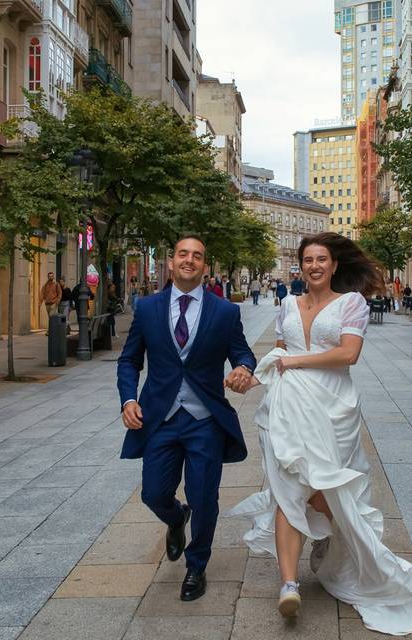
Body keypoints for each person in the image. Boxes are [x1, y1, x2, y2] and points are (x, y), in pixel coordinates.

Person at [228, 233, 412, 631]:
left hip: (333, 408)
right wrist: (253, 378)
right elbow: (280, 355)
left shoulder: (351, 303)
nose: (315, 265)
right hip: (287, 408)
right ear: (300, 266)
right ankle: (289, 584)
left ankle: (335, 542)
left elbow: (348, 354)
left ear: (334, 265)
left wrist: (295, 363)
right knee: (288, 489)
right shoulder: (286, 304)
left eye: (322, 259)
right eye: (308, 259)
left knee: (325, 492)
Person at [117, 235, 257, 603]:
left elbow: (243, 353)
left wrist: (244, 368)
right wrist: (128, 399)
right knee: (153, 493)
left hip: (204, 420)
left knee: (204, 496)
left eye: (196, 256)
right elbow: (130, 360)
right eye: (183, 254)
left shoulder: (224, 311)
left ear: (204, 265)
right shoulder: (147, 308)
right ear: (172, 260)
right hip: (160, 418)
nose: (189, 260)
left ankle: (197, 565)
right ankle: (176, 518)